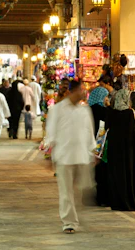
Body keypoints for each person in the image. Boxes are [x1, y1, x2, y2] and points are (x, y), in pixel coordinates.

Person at [46, 80, 96, 234]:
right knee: (66, 192)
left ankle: (74, 216)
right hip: (64, 157)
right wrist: (50, 153)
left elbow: (89, 132)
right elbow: (51, 132)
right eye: (81, 89)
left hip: (81, 156)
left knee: (81, 189)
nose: (83, 92)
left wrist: (92, 151)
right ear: (73, 91)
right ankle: (69, 222)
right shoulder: (58, 109)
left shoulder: (84, 110)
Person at [106, 89, 135, 211]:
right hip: (127, 151)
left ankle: (117, 201)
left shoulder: (112, 113)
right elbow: (134, 133)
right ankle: (128, 200)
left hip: (114, 150)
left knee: (116, 175)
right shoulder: (130, 113)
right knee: (127, 174)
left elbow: (107, 128)